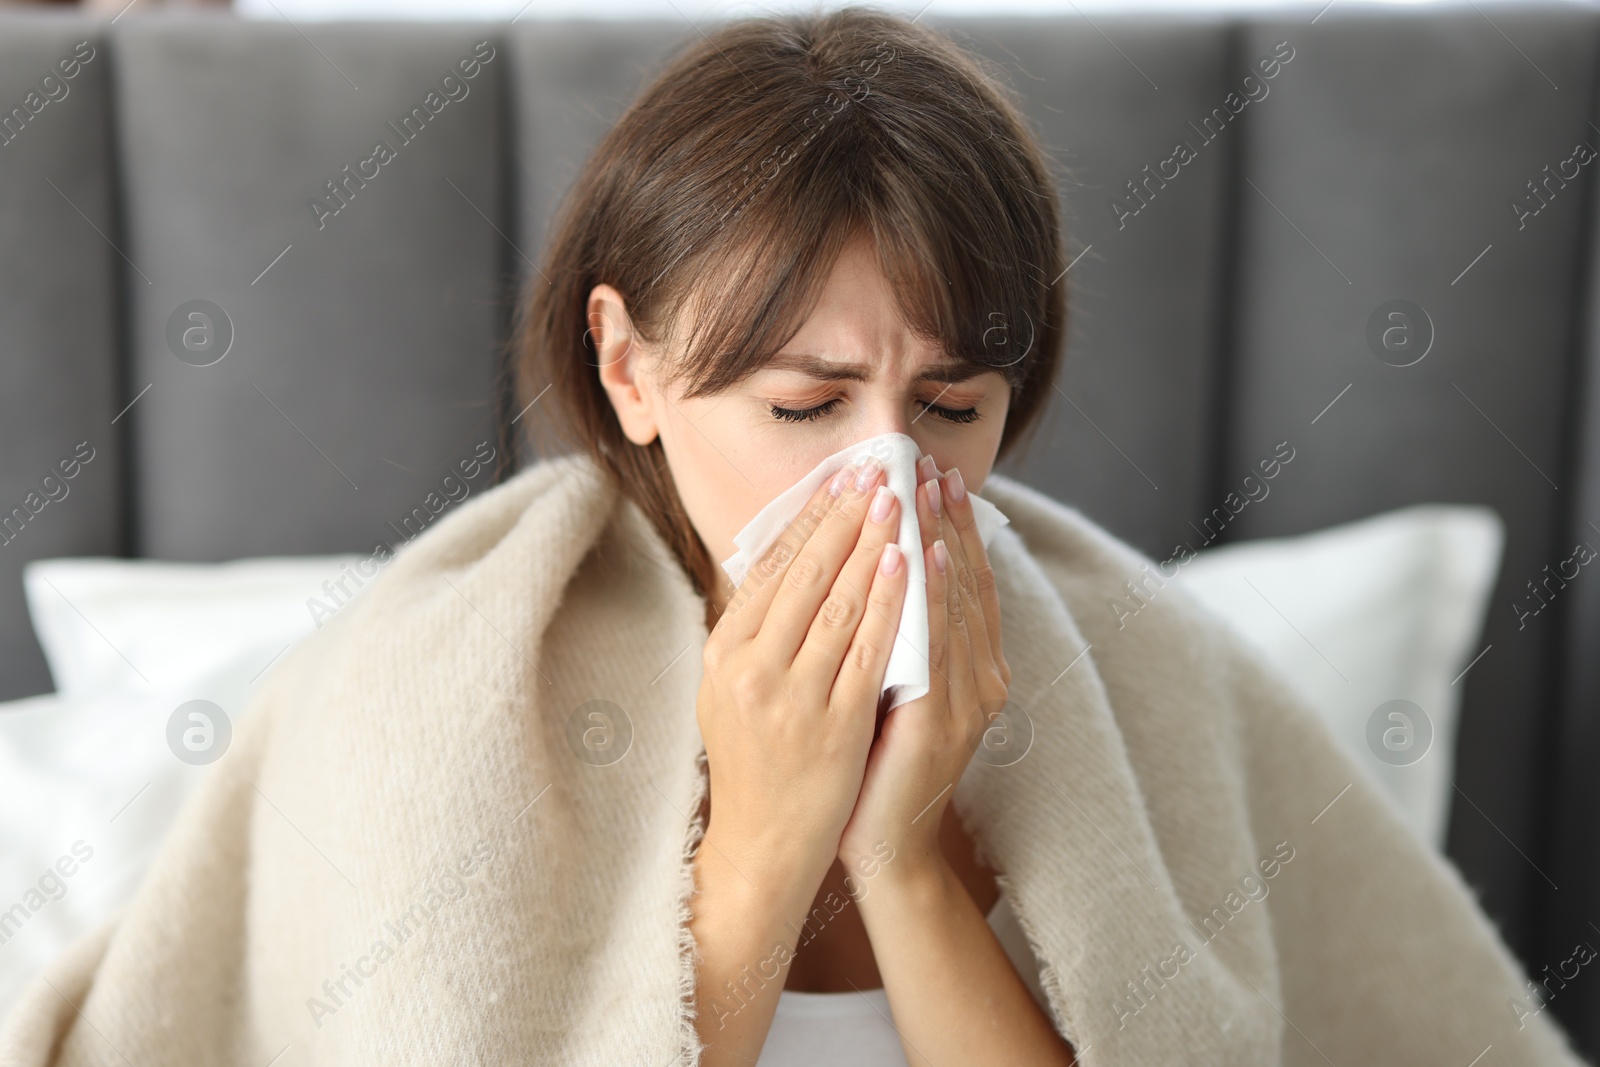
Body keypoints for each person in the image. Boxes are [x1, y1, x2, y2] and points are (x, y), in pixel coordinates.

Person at [1, 8, 1587, 1067]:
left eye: (951, 405)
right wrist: (763, 842)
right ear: (629, 368)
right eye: (804, 403)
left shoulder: (1143, 668)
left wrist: (900, 857)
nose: (883, 476)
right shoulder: (417, 685)